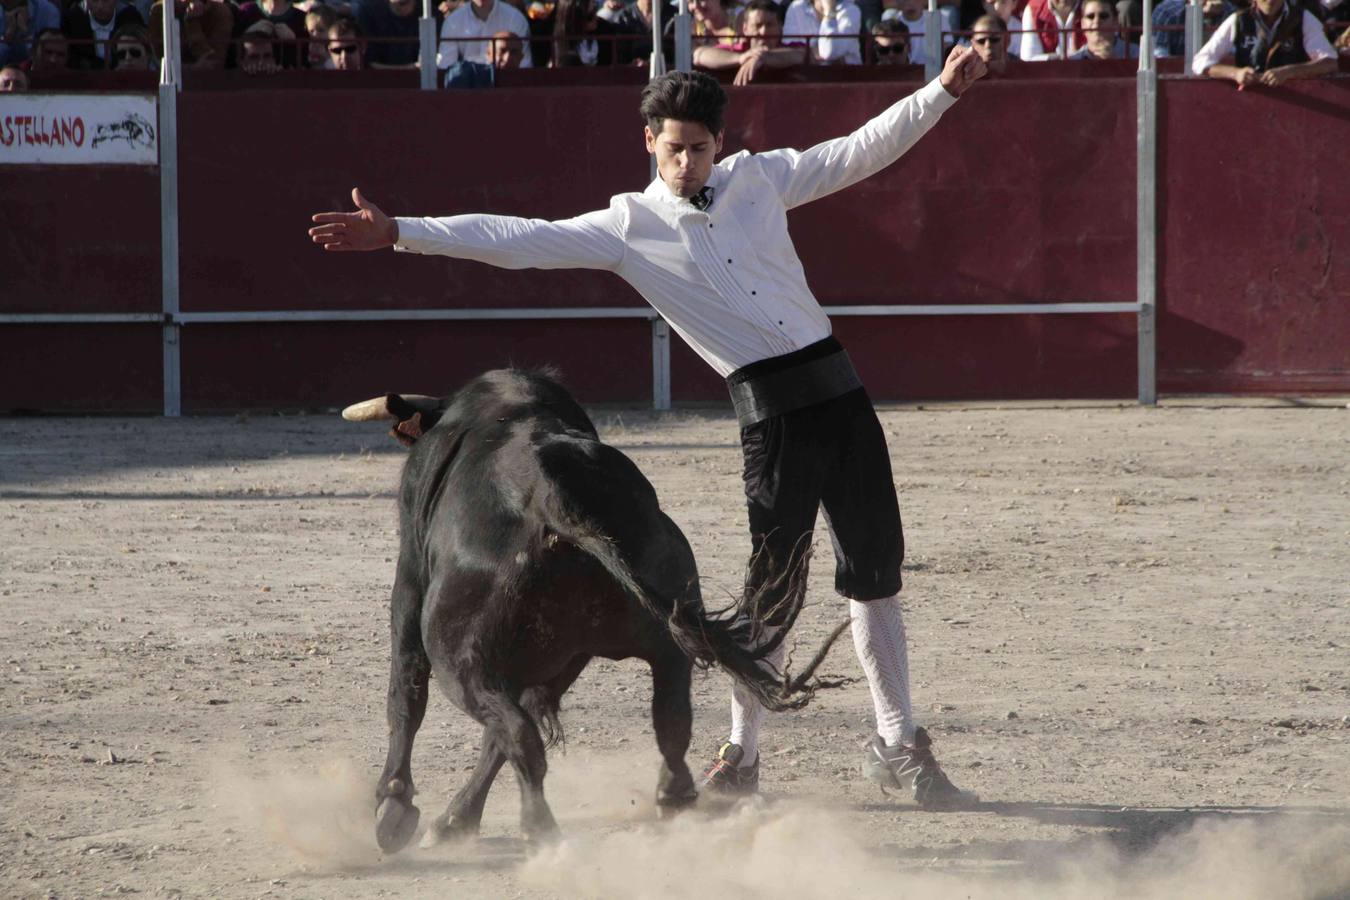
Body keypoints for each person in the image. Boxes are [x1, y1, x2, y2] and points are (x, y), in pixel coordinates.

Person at [309, 50, 989, 811]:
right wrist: (401, 230)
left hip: (842, 396)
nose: (689, 163)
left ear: (719, 143)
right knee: (771, 597)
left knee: (877, 579)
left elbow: (860, 150)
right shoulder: (627, 227)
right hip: (772, 417)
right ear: (648, 143)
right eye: (674, 149)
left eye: (700, 148)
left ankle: (899, 742)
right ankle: (741, 755)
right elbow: (516, 239)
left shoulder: (760, 179)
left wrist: (938, 94)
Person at [1192, 0, 1337, 84]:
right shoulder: (1238, 20)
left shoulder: (1303, 18)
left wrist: (1291, 72)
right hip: (1249, 104)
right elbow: (1200, 62)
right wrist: (1235, 73)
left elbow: (1329, 62)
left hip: (1298, 105)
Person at [693, 0, 807, 83]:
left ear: (781, 27)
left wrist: (762, 57)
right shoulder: (738, 50)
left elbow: (801, 55)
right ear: (745, 29)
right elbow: (698, 55)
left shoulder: (792, 47)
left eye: (769, 25)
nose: (763, 32)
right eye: (757, 26)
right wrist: (740, 58)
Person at [437, 0, 532, 69]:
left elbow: (524, 66)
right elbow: (446, 66)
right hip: (467, 86)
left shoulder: (515, 18)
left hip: (506, 86)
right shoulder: (453, 21)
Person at [150, 0, 235, 69]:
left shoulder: (220, 12)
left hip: (208, 84)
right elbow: (159, 59)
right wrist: (192, 68)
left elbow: (214, 63)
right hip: (168, 82)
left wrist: (192, 22)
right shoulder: (160, 9)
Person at [62, 0, 145, 69]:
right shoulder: (73, 18)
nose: (100, 6)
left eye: (106, 0)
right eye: (95, 0)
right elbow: (70, 56)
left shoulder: (131, 17)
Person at [784, 0, 864, 63]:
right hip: (807, 77)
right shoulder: (796, 8)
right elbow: (789, 50)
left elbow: (828, 52)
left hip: (844, 78)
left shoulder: (851, 11)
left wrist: (829, 12)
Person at [1151, 0, 1233, 58]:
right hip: (1174, 73)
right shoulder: (1167, 11)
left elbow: (1233, 51)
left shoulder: (1229, 12)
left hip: (1215, 73)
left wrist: (1207, 19)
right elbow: (1159, 54)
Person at [356, 0, 425, 67]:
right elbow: (369, 63)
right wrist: (413, 67)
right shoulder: (367, 12)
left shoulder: (429, 14)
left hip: (422, 78)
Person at [1069, 0, 1136, 57]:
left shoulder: (1138, 55)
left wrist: (1114, 59)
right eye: (1090, 16)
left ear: (1115, 21)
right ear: (1082, 24)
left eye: (1103, 16)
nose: (1096, 22)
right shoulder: (1073, 60)